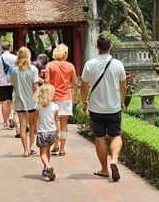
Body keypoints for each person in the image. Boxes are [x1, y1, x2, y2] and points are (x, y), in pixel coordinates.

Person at [80, 33, 126, 182]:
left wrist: (83, 101)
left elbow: (84, 86)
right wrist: (122, 102)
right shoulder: (118, 64)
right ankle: (114, 160)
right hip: (113, 107)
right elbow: (123, 86)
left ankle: (105, 169)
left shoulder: (90, 64)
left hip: (96, 108)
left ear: (97, 47)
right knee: (116, 135)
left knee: (99, 138)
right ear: (110, 47)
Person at [44, 43, 78, 156]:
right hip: (66, 97)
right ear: (64, 54)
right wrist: (75, 95)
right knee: (64, 124)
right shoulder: (70, 66)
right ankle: (62, 148)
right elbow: (75, 83)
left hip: (53, 97)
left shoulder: (50, 65)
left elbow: (47, 82)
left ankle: (56, 144)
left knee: (54, 122)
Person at [9, 47, 40, 157]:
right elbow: (35, 86)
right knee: (32, 125)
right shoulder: (33, 69)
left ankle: (25, 150)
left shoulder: (14, 70)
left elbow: (12, 83)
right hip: (31, 101)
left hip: (19, 101)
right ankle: (31, 146)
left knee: (22, 126)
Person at [35, 84, 59, 181]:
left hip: (42, 132)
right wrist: (58, 132)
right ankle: (45, 168)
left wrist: (33, 128)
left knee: (43, 153)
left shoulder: (38, 106)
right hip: (52, 132)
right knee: (48, 150)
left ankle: (48, 166)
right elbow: (57, 119)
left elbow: (35, 119)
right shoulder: (55, 106)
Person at [0, 42, 17, 130]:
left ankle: (5, 122)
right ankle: (10, 116)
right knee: (11, 101)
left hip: (2, 82)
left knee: (4, 102)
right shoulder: (15, 58)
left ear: (2, 49)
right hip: (13, 82)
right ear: (10, 48)